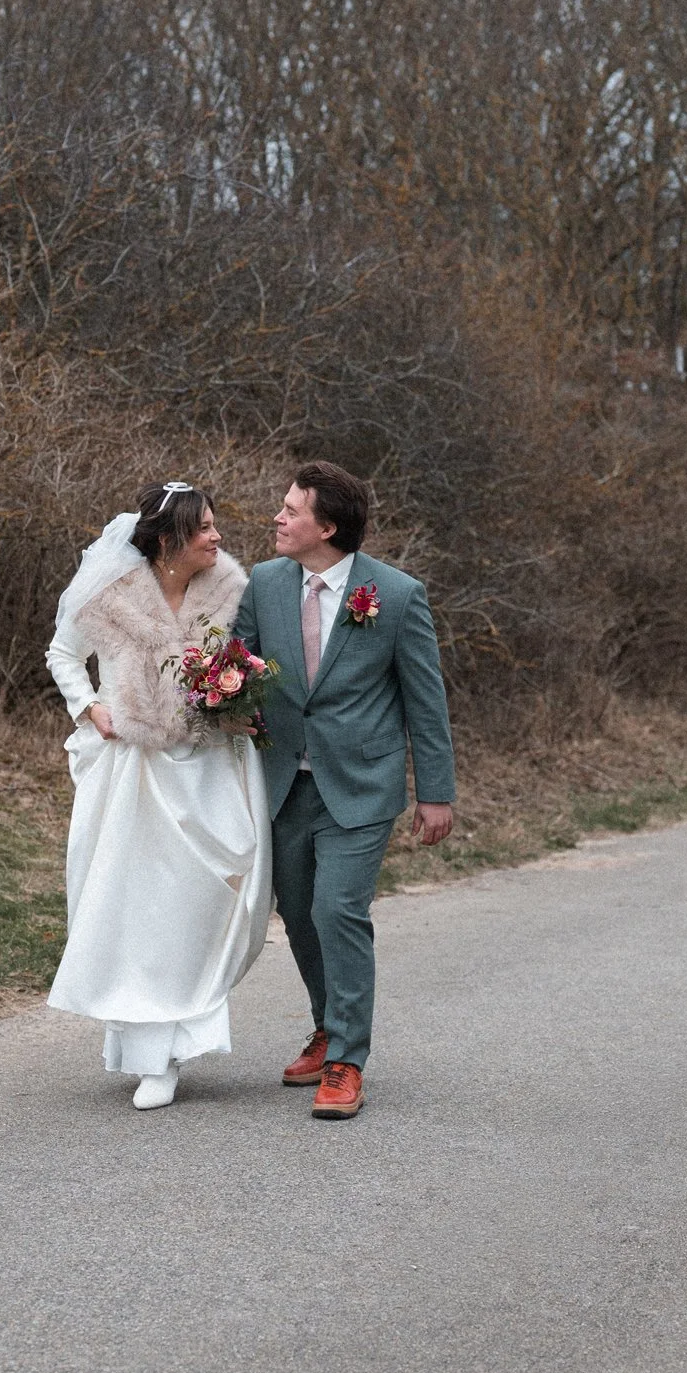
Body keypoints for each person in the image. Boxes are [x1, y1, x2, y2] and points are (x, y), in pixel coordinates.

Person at [232, 460, 455, 1120]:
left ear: (326, 527)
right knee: (300, 913)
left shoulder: (397, 595)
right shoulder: (264, 583)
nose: (277, 518)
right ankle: (328, 1025)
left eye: (291, 510)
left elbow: (425, 702)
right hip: (281, 783)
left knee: (337, 910)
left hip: (361, 784)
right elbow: (237, 664)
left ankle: (346, 1060)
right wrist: (220, 701)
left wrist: (435, 792)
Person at [44, 482, 273, 1109]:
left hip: (212, 768)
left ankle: (188, 1029)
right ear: (170, 540)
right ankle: (153, 1057)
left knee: (203, 906)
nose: (217, 537)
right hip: (134, 773)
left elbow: (251, 661)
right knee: (139, 911)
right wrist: (91, 707)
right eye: (205, 528)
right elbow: (63, 654)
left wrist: (241, 696)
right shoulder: (109, 595)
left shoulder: (231, 591)